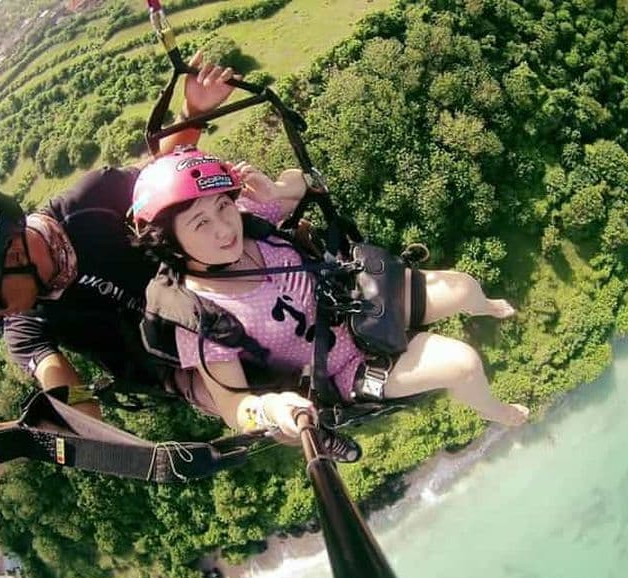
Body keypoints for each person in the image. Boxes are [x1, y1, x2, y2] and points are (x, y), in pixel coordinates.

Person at [0, 53, 240, 506]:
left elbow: (164, 187)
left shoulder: (91, 203)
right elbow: (77, 407)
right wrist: (7, 444)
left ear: (12, 252)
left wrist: (194, 113)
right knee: (252, 400)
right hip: (188, 371)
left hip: (225, 295)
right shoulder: (26, 331)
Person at [130, 147, 530, 436]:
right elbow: (235, 407)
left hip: (359, 303)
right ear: (171, 244)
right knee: (462, 363)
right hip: (342, 368)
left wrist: (273, 192)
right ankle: (496, 410)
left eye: (222, 206)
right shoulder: (201, 315)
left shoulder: (251, 222)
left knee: (462, 287)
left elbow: (306, 183)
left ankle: (490, 307)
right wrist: (272, 409)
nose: (223, 228)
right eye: (199, 224)